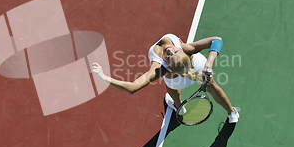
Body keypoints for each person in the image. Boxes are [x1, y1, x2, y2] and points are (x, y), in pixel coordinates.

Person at [90, 33, 240, 123]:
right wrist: (209, 64)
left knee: (171, 87)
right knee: (213, 87)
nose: (170, 51)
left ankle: (179, 107)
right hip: (199, 68)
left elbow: (132, 88)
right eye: (174, 52)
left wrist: (103, 77)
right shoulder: (186, 49)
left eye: (170, 56)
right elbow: (217, 40)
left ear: (167, 66)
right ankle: (232, 113)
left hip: (179, 80)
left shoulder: (159, 69)